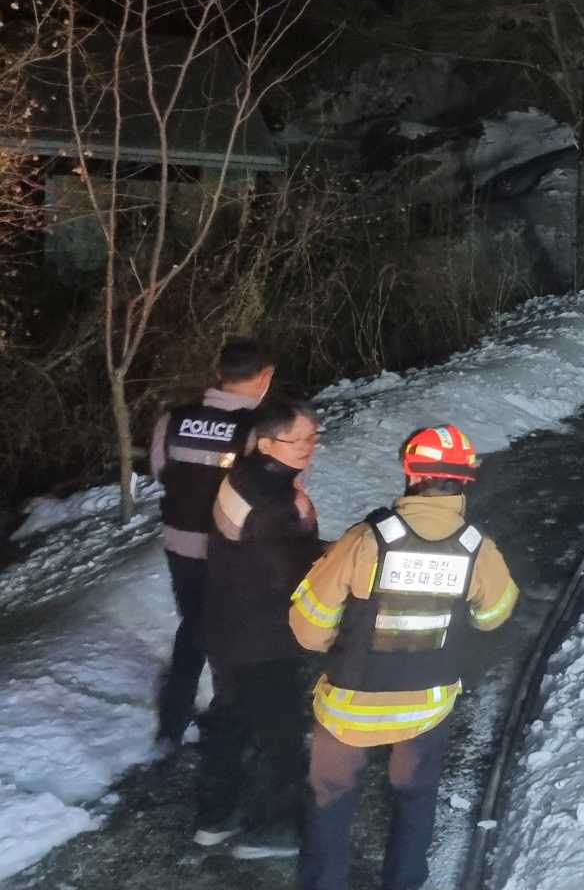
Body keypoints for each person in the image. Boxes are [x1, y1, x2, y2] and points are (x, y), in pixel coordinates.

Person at [290, 424, 518, 890]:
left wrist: (343, 639)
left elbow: (308, 629)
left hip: (349, 705)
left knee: (330, 800)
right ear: (464, 479)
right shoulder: (477, 548)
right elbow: (493, 615)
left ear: (411, 473)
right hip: (426, 707)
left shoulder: (366, 540)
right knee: (416, 799)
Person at [194, 396, 323, 858]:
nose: (309, 445)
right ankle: (271, 830)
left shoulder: (242, 476)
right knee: (279, 734)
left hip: (226, 626)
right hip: (263, 637)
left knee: (232, 723)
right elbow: (289, 573)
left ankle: (216, 817)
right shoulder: (274, 501)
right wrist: (334, 554)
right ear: (267, 443)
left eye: (314, 436)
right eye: (298, 439)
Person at [150, 336, 276, 749]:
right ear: (265, 376)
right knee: (227, 630)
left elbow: (160, 471)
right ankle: (220, 720)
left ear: (219, 373)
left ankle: (177, 721)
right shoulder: (260, 429)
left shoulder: (173, 419)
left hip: (180, 544)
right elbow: (269, 496)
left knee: (196, 625)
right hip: (234, 550)